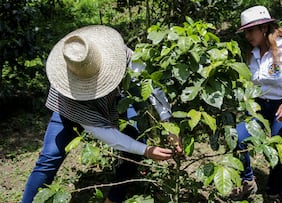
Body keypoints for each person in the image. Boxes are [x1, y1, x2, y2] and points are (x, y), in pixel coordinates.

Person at [21, 25, 182, 203]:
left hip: (113, 103)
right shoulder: (67, 91)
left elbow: (150, 85)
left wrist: (168, 122)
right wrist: (146, 151)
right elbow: (105, 133)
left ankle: (113, 199)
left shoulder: (119, 54)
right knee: (49, 159)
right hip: (69, 112)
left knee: (136, 140)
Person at [232, 5, 282, 202]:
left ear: (264, 28)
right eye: (245, 32)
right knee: (238, 137)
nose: (248, 36)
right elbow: (252, 81)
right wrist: (247, 97)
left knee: (279, 149)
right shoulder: (254, 53)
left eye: (251, 31)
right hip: (259, 105)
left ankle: (273, 190)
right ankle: (248, 180)